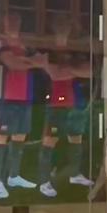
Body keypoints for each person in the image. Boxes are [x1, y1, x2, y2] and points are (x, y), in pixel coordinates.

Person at [35, 15, 94, 197]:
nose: (64, 31)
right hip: (55, 104)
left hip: (73, 103)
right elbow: (54, 75)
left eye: (67, 27)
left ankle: (74, 173)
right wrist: (72, 72)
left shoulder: (74, 52)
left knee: (76, 138)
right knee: (49, 141)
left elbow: (89, 71)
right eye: (61, 27)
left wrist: (67, 71)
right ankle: (44, 181)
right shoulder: (47, 50)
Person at [0, 8, 45, 198]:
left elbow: (42, 60)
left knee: (19, 137)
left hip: (25, 97)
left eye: (17, 19)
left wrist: (28, 61)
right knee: (0, 138)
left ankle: (13, 176)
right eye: (10, 18)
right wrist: (33, 63)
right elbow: (12, 63)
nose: (14, 22)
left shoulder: (24, 43)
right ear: (3, 21)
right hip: (5, 97)